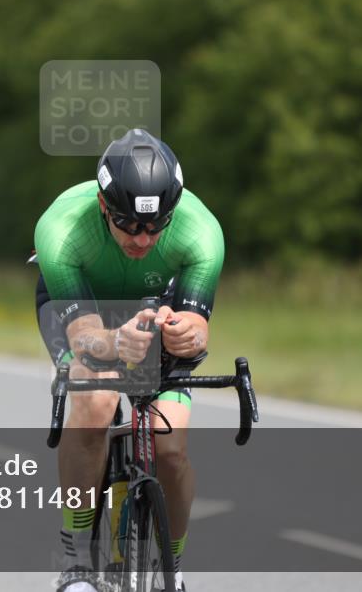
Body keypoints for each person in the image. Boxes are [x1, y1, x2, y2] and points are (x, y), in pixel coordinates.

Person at [34, 129, 224, 592]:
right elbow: (84, 340)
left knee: (170, 447)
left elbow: (199, 332)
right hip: (85, 310)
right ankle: (76, 563)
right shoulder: (60, 230)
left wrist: (185, 334)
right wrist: (115, 341)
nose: (143, 238)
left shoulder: (202, 232)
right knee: (96, 403)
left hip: (157, 304)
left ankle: (173, 571)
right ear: (104, 207)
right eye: (128, 224)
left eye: (156, 226)